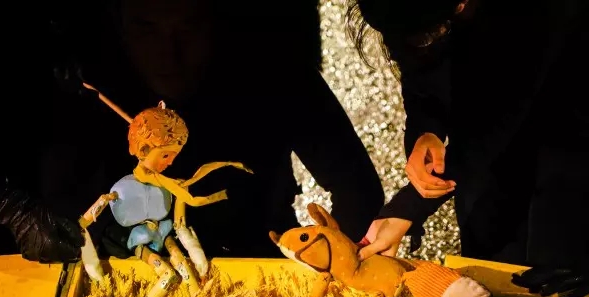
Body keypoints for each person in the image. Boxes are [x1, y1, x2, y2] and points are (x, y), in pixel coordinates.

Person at [347, 0, 589, 297]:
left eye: (435, 31)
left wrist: (407, 208)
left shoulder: (553, 18)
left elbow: (504, 113)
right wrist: (426, 129)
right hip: (484, 170)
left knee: (560, 290)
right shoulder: (412, 15)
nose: (425, 43)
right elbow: (423, 77)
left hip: (576, 133)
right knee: (486, 293)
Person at [90, 0, 385, 259]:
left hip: (262, 264)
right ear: (119, 24)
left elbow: (359, 190)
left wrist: (319, 260)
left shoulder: (274, 72)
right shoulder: (95, 91)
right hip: (136, 270)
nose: (169, 52)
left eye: (189, 26)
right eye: (146, 28)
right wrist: (100, 231)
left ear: (215, 18)